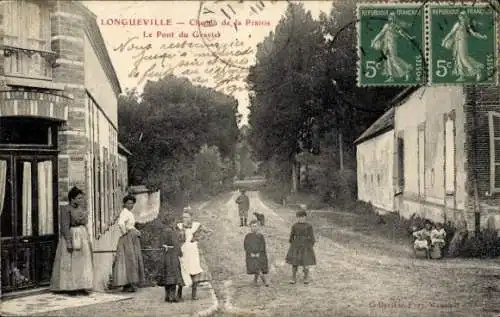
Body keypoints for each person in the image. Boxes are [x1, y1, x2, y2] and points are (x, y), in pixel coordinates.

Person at [50, 187, 93, 295]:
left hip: (82, 235)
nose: (80, 200)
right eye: (78, 198)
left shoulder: (81, 208)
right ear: (72, 199)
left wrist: (84, 217)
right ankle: (71, 287)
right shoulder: (66, 209)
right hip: (71, 234)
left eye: (81, 198)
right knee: (71, 262)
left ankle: (82, 286)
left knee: (82, 262)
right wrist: (69, 242)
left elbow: (84, 222)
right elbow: (64, 226)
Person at [112, 195, 145, 292]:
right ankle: (128, 283)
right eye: (129, 203)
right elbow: (121, 223)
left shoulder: (129, 213)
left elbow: (130, 225)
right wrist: (125, 233)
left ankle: (130, 283)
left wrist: (136, 231)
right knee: (129, 259)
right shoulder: (124, 213)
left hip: (132, 237)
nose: (131, 205)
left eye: (132, 203)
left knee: (133, 259)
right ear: (124, 204)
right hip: (128, 238)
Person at [177, 207, 211, 300]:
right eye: (183, 217)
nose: (185, 219)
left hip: (193, 250)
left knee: (194, 270)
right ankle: (179, 294)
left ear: (191, 217)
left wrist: (197, 238)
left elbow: (208, 232)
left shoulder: (196, 225)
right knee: (182, 270)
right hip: (183, 250)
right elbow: (176, 238)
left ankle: (194, 295)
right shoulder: (179, 226)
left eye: (187, 217)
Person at [157, 214, 185, 302]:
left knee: (167, 275)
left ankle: (167, 295)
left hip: (165, 255)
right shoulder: (171, 232)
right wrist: (180, 253)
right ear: (171, 222)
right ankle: (172, 297)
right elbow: (175, 243)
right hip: (172, 255)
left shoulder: (163, 231)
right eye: (174, 222)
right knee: (173, 275)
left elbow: (160, 244)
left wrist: (164, 247)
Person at [286, 208, 316, 284]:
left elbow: (312, 237)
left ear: (305, 217)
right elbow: (291, 237)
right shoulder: (295, 226)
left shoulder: (309, 226)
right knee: (294, 262)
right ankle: (293, 277)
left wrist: (310, 245)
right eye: (299, 217)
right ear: (297, 218)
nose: (301, 219)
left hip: (306, 246)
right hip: (296, 246)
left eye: (302, 217)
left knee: (306, 262)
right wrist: (293, 245)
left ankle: (306, 277)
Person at [244, 220, 269, 286]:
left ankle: (262, 281)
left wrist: (259, 253)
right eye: (252, 226)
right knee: (256, 267)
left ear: (258, 227)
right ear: (250, 227)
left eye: (255, 226)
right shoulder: (248, 236)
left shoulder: (260, 236)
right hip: (251, 255)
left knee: (258, 267)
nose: (254, 228)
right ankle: (260, 281)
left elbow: (262, 245)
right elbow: (246, 245)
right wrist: (250, 252)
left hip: (259, 255)